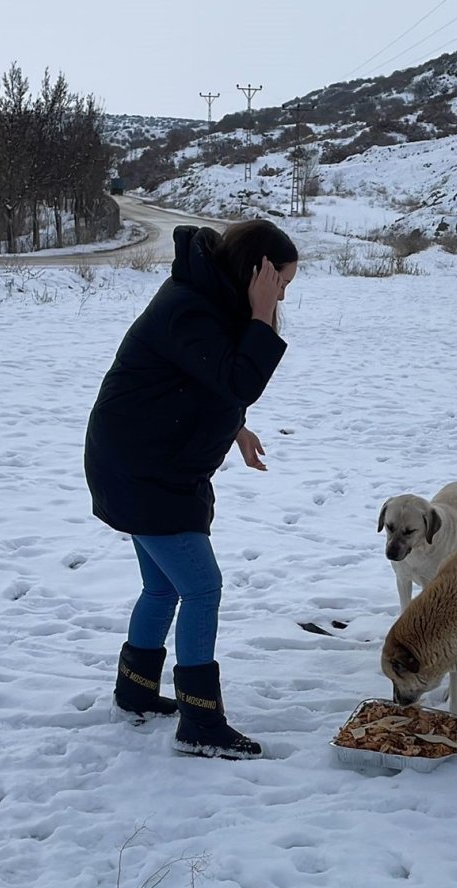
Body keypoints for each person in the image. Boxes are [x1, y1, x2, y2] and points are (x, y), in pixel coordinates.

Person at [84, 220, 298, 759]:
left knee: (162, 588)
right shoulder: (190, 307)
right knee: (202, 588)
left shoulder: (207, 298)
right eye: (280, 284)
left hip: (146, 462)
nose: (280, 297)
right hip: (142, 470)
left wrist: (235, 428)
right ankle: (200, 723)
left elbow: (203, 381)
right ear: (257, 272)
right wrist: (260, 316)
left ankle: (135, 693)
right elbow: (236, 379)